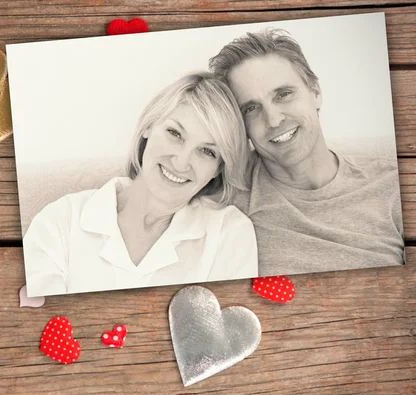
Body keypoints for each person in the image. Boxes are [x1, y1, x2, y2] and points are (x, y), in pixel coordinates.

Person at [24, 72, 258, 296]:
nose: (181, 162)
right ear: (148, 126)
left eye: (207, 151)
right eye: (175, 134)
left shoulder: (229, 234)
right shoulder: (59, 222)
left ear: (218, 168)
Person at [209, 29, 405, 276]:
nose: (273, 119)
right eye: (251, 108)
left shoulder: (392, 186)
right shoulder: (224, 195)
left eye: (283, 94)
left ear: (316, 93)